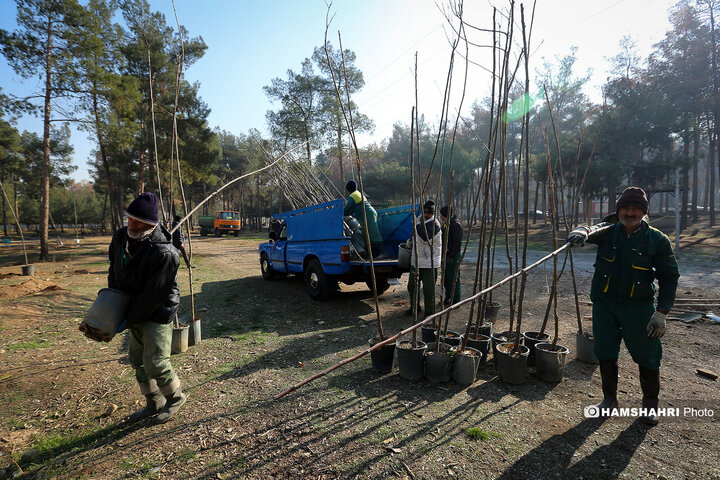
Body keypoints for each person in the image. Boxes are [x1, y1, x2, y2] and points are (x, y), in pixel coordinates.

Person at [567, 187, 679, 425]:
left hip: (639, 308)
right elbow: (590, 230)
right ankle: (609, 400)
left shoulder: (657, 240)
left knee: (648, 356)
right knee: (605, 351)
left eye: (635, 209)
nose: (630, 213)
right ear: (619, 210)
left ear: (643, 212)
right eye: (625, 208)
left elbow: (670, 277)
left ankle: (650, 406)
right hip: (605, 305)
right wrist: (579, 231)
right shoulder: (609, 232)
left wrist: (662, 313)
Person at [108, 192, 186, 424]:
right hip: (133, 307)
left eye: (138, 221)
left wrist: (127, 319)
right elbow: (114, 269)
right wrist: (115, 301)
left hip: (158, 310)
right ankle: (154, 402)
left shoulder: (165, 253)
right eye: (129, 218)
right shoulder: (121, 237)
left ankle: (175, 399)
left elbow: (153, 297)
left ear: (152, 224)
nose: (131, 224)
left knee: (155, 362)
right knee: (136, 358)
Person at [405, 200, 443, 317]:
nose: (426, 215)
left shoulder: (435, 225)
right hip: (416, 261)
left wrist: (416, 225)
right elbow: (416, 235)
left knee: (428, 289)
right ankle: (415, 308)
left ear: (433, 213)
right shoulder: (420, 220)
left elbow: (425, 238)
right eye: (425, 212)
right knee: (412, 286)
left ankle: (429, 312)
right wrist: (410, 241)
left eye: (429, 213)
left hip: (429, 262)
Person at [344, 180, 386, 259]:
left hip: (368, 215)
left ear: (348, 190)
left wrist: (339, 213)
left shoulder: (353, 196)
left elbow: (346, 210)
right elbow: (353, 209)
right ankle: (371, 254)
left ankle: (384, 253)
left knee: (374, 234)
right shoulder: (358, 194)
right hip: (367, 215)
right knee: (366, 235)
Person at [440, 205, 463, 306]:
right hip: (446, 255)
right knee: (446, 278)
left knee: (454, 278)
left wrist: (451, 255)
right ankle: (448, 297)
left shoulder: (455, 224)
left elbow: (457, 243)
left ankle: (456, 300)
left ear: (445, 215)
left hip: (453, 256)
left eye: (441, 215)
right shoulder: (446, 224)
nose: (440, 217)